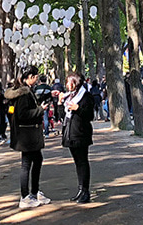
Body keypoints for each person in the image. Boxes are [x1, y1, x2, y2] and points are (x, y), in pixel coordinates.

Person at [5, 66, 56, 209]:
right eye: (35, 77)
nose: (36, 79)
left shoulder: (25, 92)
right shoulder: (23, 93)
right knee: (26, 164)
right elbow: (23, 114)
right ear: (29, 77)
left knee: (36, 160)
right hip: (26, 135)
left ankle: (33, 192)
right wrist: (40, 110)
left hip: (28, 135)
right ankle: (25, 196)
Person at [61, 73, 96, 203]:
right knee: (77, 163)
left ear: (75, 83)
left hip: (81, 133)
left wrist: (78, 108)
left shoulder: (85, 96)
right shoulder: (69, 96)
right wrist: (60, 103)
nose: (67, 85)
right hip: (71, 132)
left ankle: (85, 191)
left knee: (83, 162)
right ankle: (81, 189)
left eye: (69, 82)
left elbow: (89, 115)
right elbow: (63, 115)